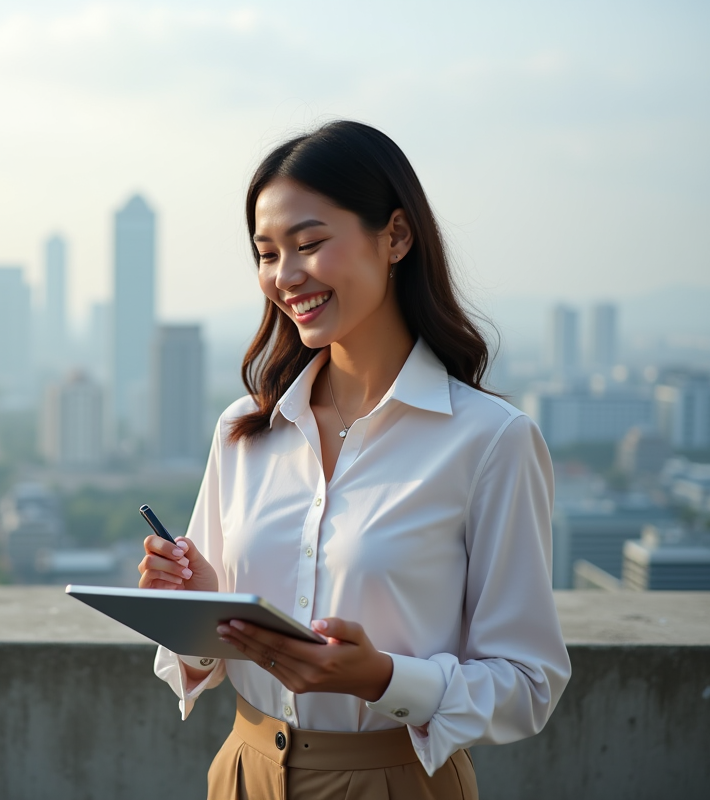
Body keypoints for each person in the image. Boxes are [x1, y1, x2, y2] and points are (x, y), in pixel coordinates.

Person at [138, 121, 571, 800]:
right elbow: (202, 657)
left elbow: (529, 685)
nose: (285, 277)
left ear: (395, 236)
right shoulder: (246, 429)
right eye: (267, 253)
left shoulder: (490, 441)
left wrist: (383, 679)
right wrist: (190, 610)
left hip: (395, 781)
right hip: (244, 773)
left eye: (309, 244)